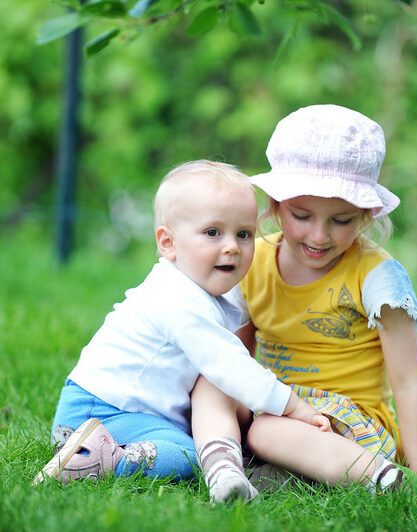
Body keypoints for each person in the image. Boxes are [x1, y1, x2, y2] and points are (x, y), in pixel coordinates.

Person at [33, 160, 330, 503]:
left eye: (244, 234)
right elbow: (228, 364)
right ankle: (103, 459)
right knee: (190, 455)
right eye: (213, 233)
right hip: (102, 411)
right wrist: (292, 406)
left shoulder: (208, 291)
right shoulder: (177, 298)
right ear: (168, 243)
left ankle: (102, 451)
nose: (232, 246)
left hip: (120, 411)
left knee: (197, 440)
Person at [215, 105, 417, 506]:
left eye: (342, 220)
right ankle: (233, 468)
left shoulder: (375, 274)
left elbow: (408, 380)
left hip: (352, 420)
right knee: (211, 386)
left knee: (265, 432)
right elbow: (234, 356)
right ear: (276, 204)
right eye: (302, 215)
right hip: (277, 403)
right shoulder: (254, 261)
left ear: (367, 215)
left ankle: (399, 485)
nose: (319, 235)